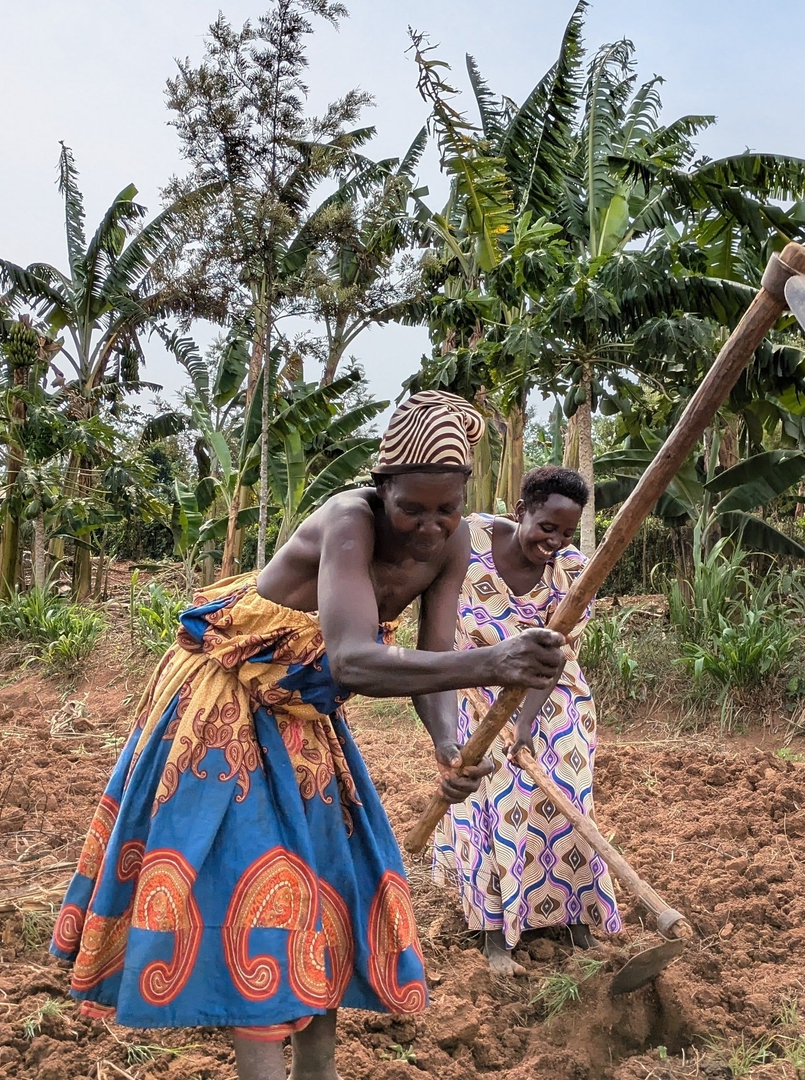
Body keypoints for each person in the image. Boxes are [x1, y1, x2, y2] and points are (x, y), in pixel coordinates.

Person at [50, 390, 567, 1080]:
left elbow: (429, 656)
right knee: (253, 890)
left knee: (326, 886)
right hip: (227, 703)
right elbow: (355, 657)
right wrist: (497, 661)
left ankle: (316, 1072)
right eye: (412, 507)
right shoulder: (347, 522)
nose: (428, 526)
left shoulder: (454, 543)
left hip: (306, 713)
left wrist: (448, 745)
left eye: (446, 509)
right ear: (382, 490)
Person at [433, 466, 623, 977]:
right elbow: (438, 620)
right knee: (488, 800)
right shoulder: (467, 540)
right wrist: (490, 720)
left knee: (566, 792)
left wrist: (524, 729)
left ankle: (578, 918)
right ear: (521, 513)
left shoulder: (574, 573)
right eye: (546, 527)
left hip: (551, 690)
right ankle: (496, 932)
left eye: (565, 532)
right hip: (472, 685)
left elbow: (554, 657)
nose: (555, 541)